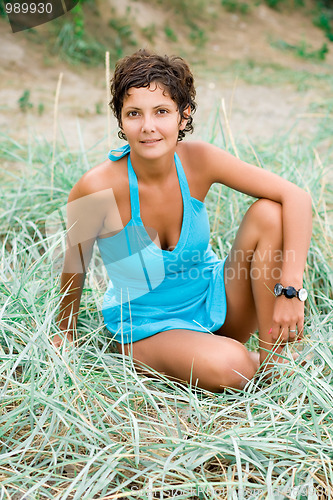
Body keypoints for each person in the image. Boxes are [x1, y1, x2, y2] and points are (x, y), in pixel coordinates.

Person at [55, 49, 312, 392]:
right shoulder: (96, 188)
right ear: (120, 120)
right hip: (149, 327)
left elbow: (296, 197)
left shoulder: (199, 161)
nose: (148, 127)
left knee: (270, 213)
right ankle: (245, 362)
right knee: (232, 365)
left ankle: (275, 359)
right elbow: (75, 265)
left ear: (183, 115)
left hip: (213, 300)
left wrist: (290, 291)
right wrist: (64, 333)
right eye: (134, 113)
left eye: (161, 111)